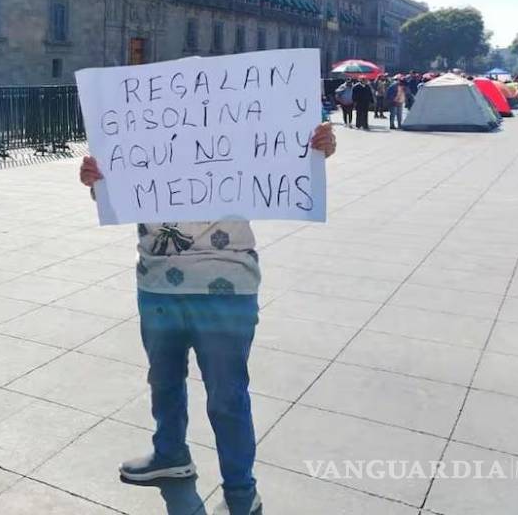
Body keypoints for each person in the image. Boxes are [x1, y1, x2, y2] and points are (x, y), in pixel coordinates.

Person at [79, 123, 337, 515]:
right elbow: (117, 189)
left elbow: (280, 154)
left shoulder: (239, 121)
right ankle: (170, 454)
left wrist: (314, 152)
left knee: (226, 395)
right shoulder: (138, 126)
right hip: (157, 281)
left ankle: (241, 493)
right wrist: (95, 179)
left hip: (226, 284)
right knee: (163, 380)